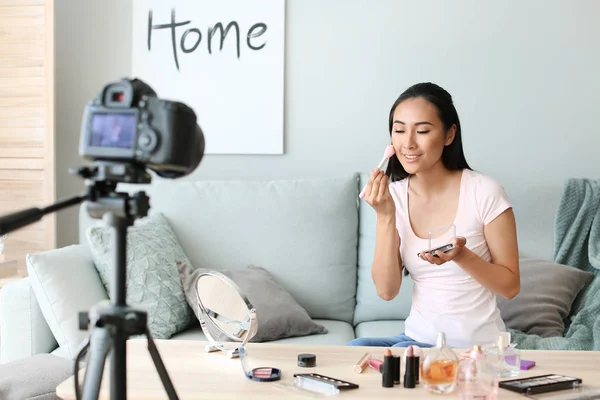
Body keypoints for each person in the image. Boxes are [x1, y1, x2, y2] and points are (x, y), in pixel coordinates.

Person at [348, 82, 520, 349]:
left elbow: (510, 286)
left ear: (449, 135)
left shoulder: (485, 191)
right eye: (399, 130)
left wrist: (462, 256)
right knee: (354, 350)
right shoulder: (393, 196)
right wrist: (385, 216)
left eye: (423, 131)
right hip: (417, 340)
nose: (408, 143)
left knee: (396, 362)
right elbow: (386, 291)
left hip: (474, 348)